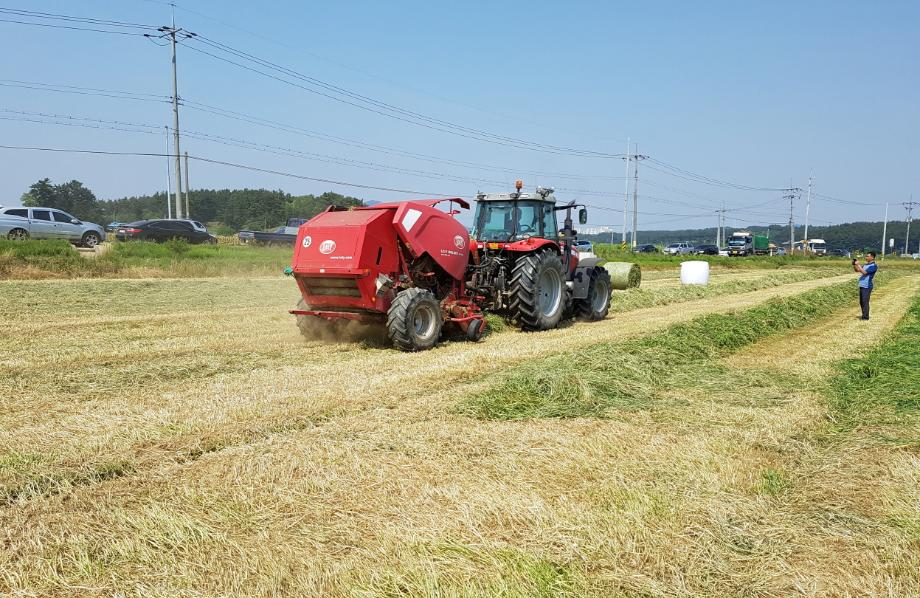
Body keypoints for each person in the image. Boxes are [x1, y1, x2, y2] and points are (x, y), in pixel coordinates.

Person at [852, 252, 878, 320]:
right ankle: (864, 315)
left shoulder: (874, 266)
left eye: (867, 256)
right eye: (866, 256)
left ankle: (865, 317)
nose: (866, 257)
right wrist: (854, 265)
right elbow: (857, 270)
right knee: (861, 302)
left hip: (867, 286)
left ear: (872, 257)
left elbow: (864, 272)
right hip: (862, 285)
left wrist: (858, 264)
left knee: (865, 301)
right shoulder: (866, 265)